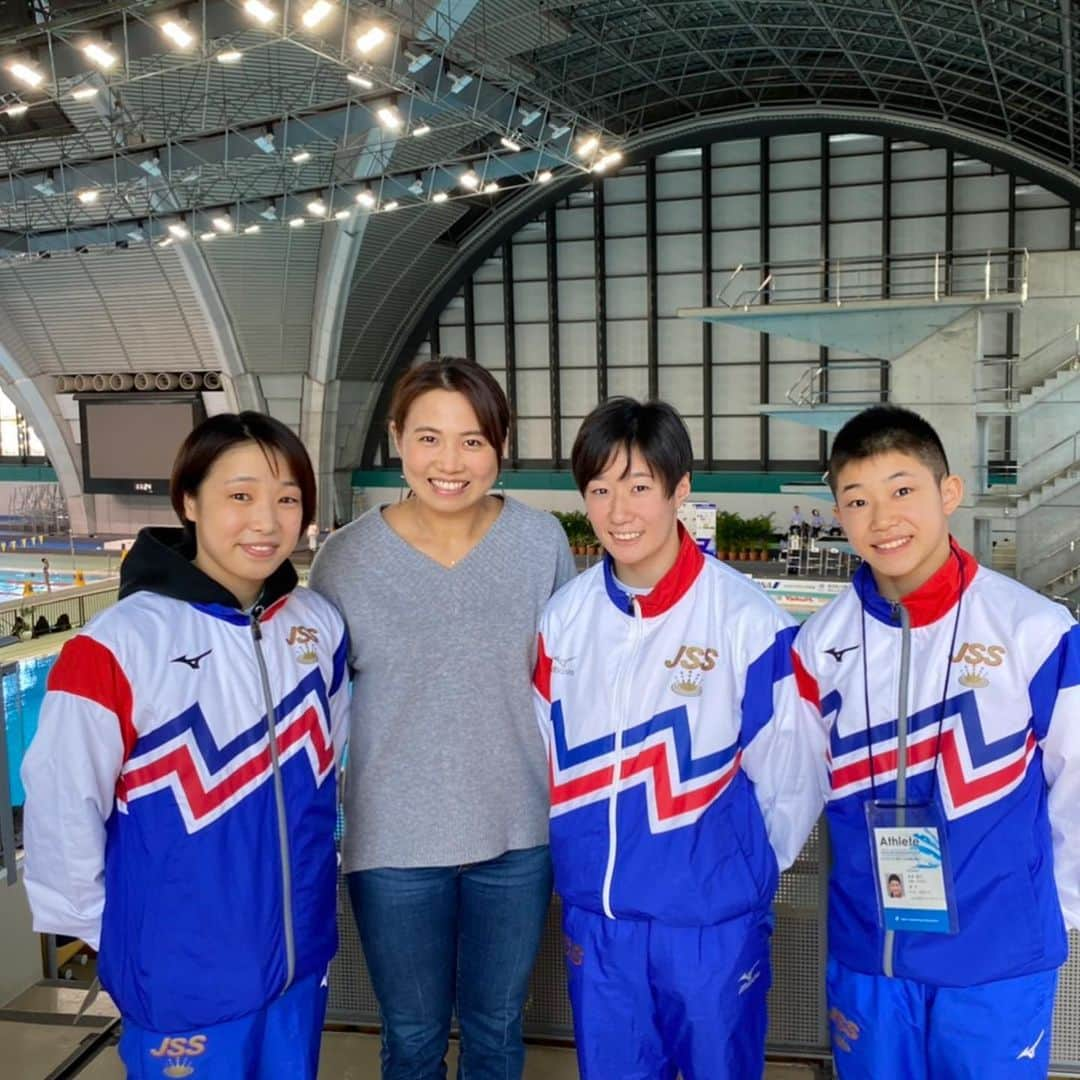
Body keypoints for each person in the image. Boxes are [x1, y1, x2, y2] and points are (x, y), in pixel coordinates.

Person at [21, 412, 349, 1079]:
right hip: (180, 984)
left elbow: (330, 772)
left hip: (298, 964)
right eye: (241, 495)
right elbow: (59, 810)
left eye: (287, 499)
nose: (266, 520)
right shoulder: (118, 647)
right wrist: (126, 943)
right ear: (189, 502)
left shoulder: (318, 627)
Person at [533, 398, 823, 1079]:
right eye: (599, 489)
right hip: (598, 925)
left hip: (710, 928)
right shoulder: (564, 620)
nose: (618, 511)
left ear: (679, 487)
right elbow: (538, 750)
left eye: (638, 487)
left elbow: (794, 773)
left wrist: (734, 875)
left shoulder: (748, 623)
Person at [792, 405, 1080, 1079]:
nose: (883, 519)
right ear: (838, 513)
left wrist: (1050, 912)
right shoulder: (818, 646)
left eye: (902, 490)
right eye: (857, 500)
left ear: (947, 492)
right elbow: (796, 782)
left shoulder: (1035, 633)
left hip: (994, 963)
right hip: (871, 956)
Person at [309, 357, 575, 1079]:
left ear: (500, 446)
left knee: (495, 1032)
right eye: (429, 438)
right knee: (414, 1038)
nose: (449, 463)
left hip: (517, 834)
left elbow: (572, 682)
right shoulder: (346, 559)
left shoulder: (538, 542)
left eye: (472, 441)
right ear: (397, 438)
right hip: (393, 845)